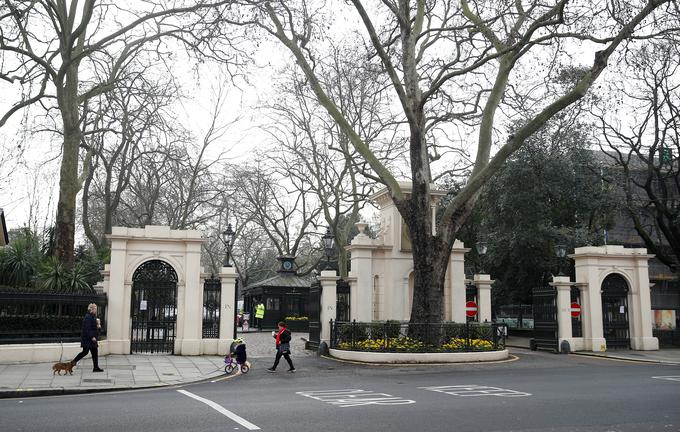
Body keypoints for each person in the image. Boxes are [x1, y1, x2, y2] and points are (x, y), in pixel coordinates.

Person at [72, 303, 103, 372]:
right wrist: (92, 337)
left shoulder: (93, 317)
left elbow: (95, 328)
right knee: (85, 352)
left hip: (92, 339)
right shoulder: (88, 317)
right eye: (95, 309)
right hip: (88, 339)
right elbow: (87, 329)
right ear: (91, 309)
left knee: (95, 352)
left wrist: (98, 325)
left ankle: (96, 367)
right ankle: (72, 363)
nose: (96, 310)